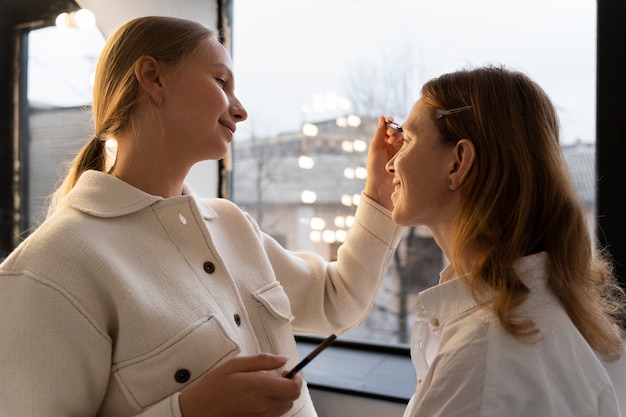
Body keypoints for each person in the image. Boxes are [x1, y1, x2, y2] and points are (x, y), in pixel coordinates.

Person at [0, 16, 404, 417]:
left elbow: (337, 303)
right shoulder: (51, 267)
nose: (241, 110)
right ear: (153, 78)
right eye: (221, 82)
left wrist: (381, 196)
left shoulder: (231, 224)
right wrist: (190, 411)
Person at [383, 65, 626, 417]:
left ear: (458, 163)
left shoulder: (480, 357)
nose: (390, 164)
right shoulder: (569, 318)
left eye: (406, 140)